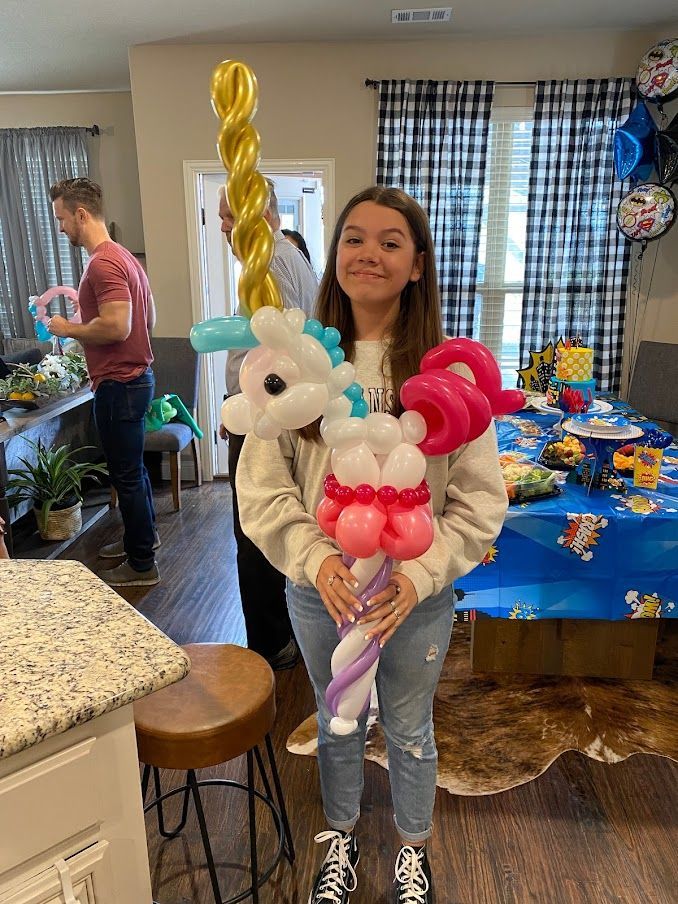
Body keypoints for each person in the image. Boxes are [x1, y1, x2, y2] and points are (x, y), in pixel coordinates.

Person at [236, 187, 508, 903]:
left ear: (417, 264)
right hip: (322, 587)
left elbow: (480, 498)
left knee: (412, 727)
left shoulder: (448, 372)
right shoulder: (292, 362)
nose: (369, 253)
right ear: (335, 256)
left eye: (391, 242)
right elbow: (263, 487)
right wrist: (315, 557)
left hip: (410, 597)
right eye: (354, 238)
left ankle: (414, 848)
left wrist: (420, 575)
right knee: (336, 720)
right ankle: (342, 835)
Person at [218, 180, 318, 669]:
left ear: (260, 216)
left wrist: (236, 405)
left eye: (229, 217)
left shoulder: (269, 265)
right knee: (279, 520)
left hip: (261, 416)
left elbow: (269, 356)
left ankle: (269, 643)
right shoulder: (291, 257)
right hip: (274, 412)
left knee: (254, 529)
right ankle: (288, 630)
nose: (222, 227)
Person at [48, 177, 159, 588]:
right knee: (135, 472)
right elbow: (149, 322)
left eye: (62, 219)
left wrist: (68, 327)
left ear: (81, 214)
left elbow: (117, 325)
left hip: (119, 385)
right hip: (136, 380)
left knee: (125, 475)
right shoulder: (126, 258)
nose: (61, 228)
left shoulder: (102, 263)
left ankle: (142, 563)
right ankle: (141, 539)